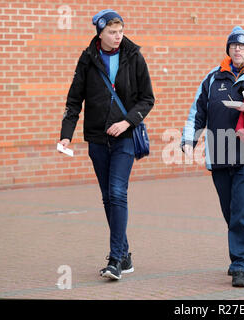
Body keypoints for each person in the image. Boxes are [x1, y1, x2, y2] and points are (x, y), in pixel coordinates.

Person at [181, 26, 244, 288]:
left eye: (243, 46)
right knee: (230, 210)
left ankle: (240, 265)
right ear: (228, 49)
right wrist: (188, 139)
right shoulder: (212, 78)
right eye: (233, 45)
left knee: (241, 210)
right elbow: (198, 111)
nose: (237, 49)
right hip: (219, 153)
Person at [59, 9, 155, 280]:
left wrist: (127, 122)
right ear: (100, 33)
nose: (117, 36)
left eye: (120, 31)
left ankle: (114, 260)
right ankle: (124, 255)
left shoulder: (133, 56)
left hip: (124, 138)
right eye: (112, 32)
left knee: (116, 193)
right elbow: (74, 100)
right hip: (97, 139)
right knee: (107, 197)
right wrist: (66, 134)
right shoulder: (88, 58)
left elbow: (147, 98)